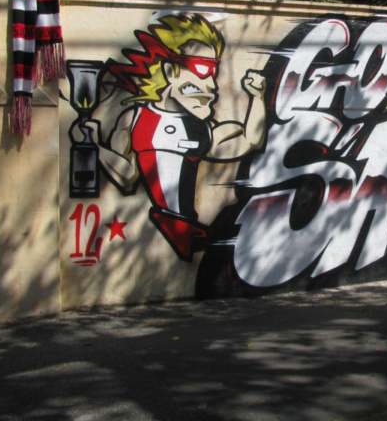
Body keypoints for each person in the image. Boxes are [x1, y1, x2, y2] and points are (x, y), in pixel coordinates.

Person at [75, 13, 266, 260]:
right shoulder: (135, 119)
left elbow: (249, 140)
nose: (212, 84)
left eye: (214, 71)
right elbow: (127, 176)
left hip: (189, 230)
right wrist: (94, 146)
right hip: (162, 229)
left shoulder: (198, 128)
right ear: (169, 71)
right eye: (202, 68)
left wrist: (257, 98)